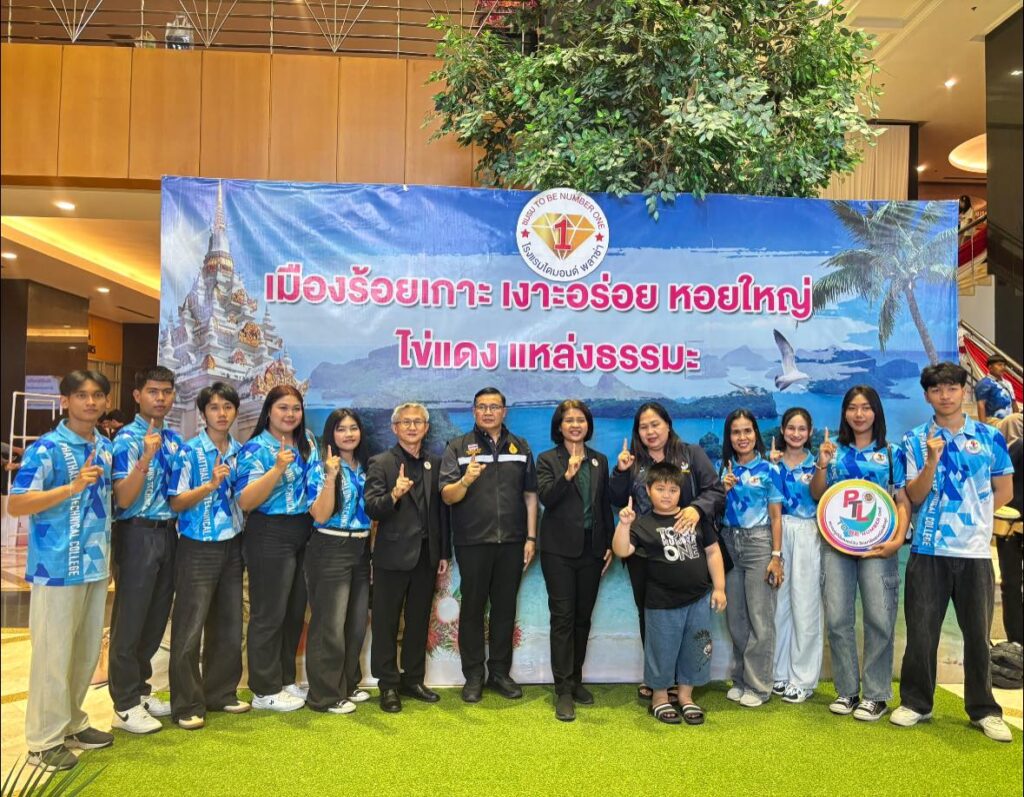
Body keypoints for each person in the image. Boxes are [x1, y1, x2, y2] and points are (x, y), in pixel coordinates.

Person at [892, 363, 1015, 742]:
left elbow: (1005, 490)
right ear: (926, 395)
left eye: (951, 388)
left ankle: (984, 710)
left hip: (975, 553)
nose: (944, 396)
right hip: (928, 550)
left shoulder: (989, 437)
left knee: (978, 635)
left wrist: (975, 522)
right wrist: (931, 461)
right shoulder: (914, 440)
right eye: (936, 389)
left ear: (964, 391)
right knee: (921, 632)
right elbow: (913, 496)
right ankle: (916, 703)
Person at [10, 370, 115, 771]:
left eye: (97, 395)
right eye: (81, 395)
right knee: (52, 657)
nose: (90, 402)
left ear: (106, 402)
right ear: (65, 401)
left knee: (84, 654)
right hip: (55, 567)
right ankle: (43, 742)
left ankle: (72, 722)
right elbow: (17, 504)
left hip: (94, 566)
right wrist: (71, 488)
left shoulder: (104, 448)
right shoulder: (46, 448)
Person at [608, 401, 724, 703]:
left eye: (655, 424)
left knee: (690, 616)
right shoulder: (632, 461)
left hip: (686, 549)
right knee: (651, 616)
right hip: (643, 552)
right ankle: (659, 680)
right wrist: (620, 471)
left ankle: (681, 682)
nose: (650, 431)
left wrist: (697, 509)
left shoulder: (691, 454)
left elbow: (715, 490)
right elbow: (616, 499)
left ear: (668, 425)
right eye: (643, 427)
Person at [811, 385, 911, 722]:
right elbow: (818, 495)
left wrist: (897, 539)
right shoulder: (833, 451)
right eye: (852, 407)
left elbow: (902, 501)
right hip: (837, 544)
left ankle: (876, 695)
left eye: (866, 407)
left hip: (879, 544)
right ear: (844, 413)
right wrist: (821, 464)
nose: (859, 414)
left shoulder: (892, 453)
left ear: (876, 412)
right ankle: (847, 690)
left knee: (879, 619)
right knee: (838, 619)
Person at [440, 387, 538, 703]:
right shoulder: (457, 447)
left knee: (504, 610)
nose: (488, 412)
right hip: (472, 542)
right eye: (482, 407)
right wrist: (466, 480)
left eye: (494, 406)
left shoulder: (521, 446)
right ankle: (473, 676)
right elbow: (447, 495)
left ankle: (499, 673)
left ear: (504, 411)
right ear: (474, 411)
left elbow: (530, 496)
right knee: (472, 609)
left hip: (512, 542)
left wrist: (531, 537)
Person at [166, 383, 250, 730]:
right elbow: (176, 501)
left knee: (229, 623)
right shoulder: (189, 452)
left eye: (227, 407)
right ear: (203, 414)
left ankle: (221, 693)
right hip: (197, 545)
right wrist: (209, 486)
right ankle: (186, 703)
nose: (221, 413)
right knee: (190, 626)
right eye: (214, 407)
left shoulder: (241, 451)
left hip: (233, 543)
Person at [234, 385, 320, 712]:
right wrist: (277, 469)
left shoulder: (307, 441)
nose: (290, 414)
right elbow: (246, 501)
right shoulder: (256, 448)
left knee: (294, 612)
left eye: (295, 408)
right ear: (269, 410)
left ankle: (285, 680)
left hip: (303, 530)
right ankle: (263, 688)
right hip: (269, 532)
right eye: (283, 407)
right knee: (268, 613)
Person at [109, 365, 184, 734]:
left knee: (155, 619)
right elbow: (123, 499)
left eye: (167, 391)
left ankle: (140, 691)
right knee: (130, 619)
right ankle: (124, 704)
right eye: (153, 391)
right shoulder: (126, 440)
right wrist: (145, 459)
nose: (161, 398)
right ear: (137, 395)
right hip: (136, 533)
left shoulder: (174, 440)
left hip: (169, 533)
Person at [364, 402, 451, 714]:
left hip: (427, 557)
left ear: (426, 428)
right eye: (405, 422)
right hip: (391, 557)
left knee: (417, 622)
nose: (412, 427)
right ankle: (387, 684)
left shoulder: (434, 463)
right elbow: (372, 507)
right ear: (395, 427)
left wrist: (443, 552)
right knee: (386, 622)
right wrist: (394, 495)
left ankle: (413, 679)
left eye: (418, 422)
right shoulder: (381, 463)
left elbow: (441, 513)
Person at [535, 400, 613, 722]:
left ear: (588, 425)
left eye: (581, 419)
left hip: (592, 550)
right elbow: (546, 499)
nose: (575, 425)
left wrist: (608, 543)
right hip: (558, 551)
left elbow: (604, 504)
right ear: (559, 426)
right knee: (563, 619)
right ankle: (563, 690)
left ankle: (576, 679)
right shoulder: (547, 459)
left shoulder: (599, 460)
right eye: (569, 420)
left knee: (583, 619)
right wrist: (567, 475)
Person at [304, 409, 373, 715]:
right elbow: (320, 515)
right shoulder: (321, 465)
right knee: (329, 625)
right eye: (341, 429)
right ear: (331, 434)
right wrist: (331, 478)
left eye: (353, 428)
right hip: (330, 546)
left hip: (360, 547)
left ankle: (346, 684)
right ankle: (324, 695)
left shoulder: (365, 467)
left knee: (355, 623)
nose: (348, 434)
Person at [718, 409, 784, 708]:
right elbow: (713, 511)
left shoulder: (769, 469)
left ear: (756, 434)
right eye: (736, 432)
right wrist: (722, 490)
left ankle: (759, 686)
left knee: (760, 617)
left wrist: (776, 556)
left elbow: (776, 517)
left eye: (747, 431)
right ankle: (741, 679)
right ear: (729, 437)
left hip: (759, 543)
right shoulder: (723, 469)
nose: (742, 437)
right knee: (736, 619)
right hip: (728, 542)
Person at [768, 407, 822, 704]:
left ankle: (802, 678)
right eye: (791, 428)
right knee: (779, 606)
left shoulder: (817, 465)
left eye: (802, 429)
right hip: (777, 533)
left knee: (805, 605)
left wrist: (823, 466)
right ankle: (778, 672)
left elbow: (821, 496)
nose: (796, 434)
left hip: (807, 532)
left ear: (810, 432)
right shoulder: (772, 464)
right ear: (783, 430)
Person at [995, 413, 1022, 645]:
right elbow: (1002, 484)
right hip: (1011, 527)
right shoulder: (1019, 446)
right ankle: (1016, 643)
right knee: (1011, 585)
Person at [975, 354, 1019, 424]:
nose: (1003, 368)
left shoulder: (1008, 383)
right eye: (999, 365)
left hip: (1009, 421)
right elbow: (981, 406)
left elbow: (1014, 403)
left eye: (1004, 365)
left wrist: (1017, 419)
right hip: (993, 422)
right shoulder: (984, 383)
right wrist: (984, 427)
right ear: (990, 367)